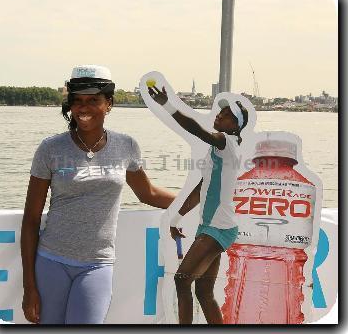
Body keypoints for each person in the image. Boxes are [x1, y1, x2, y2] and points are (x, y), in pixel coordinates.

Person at [20, 65, 175, 324]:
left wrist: (201, 202)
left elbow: (147, 193)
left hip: (97, 264)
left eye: (94, 100)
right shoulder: (50, 148)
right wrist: (29, 287)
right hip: (50, 261)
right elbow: (31, 219)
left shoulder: (126, 146)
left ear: (109, 104)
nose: (84, 108)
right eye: (77, 101)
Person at [148, 84, 248, 324]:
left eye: (226, 115)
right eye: (221, 112)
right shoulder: (219, 150)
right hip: (212, 227)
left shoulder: (227, 143)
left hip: (218, 228)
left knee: (182, 279)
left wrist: (168, 105)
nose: (219, 115)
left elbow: (197, 130)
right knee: (203, 292)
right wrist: (176, 218)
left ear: (235, 126)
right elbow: (201, 189)